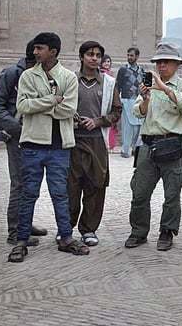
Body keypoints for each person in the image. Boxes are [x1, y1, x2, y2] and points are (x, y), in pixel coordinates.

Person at [9, 32, 87, 263]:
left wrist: (40, 104)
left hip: (59, 147)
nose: (35, 52)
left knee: (60, 194)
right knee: (28, 194)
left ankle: (65, 237)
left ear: (53, 51)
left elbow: (69, 110)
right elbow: (22, 106)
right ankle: (21, 240)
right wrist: (53, 100)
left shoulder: (68, 77)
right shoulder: (27, 76)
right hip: (32, 144)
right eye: (35, 48)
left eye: (39, 48)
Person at [124, 43, 182, 252]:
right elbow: (138, 112)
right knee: (139, 192)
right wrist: (145, 98)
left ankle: (167, 231)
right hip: (148, 145)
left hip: (172, 144)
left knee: (172, 194)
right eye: (158, 62)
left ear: (176, 65)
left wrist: (163, 88)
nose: (161, 66)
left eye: (166, 62)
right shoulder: (148, 85)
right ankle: (138, 231)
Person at [0, 40, 48, 245]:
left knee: (31, 183)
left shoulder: (40, 74)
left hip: (34, 137)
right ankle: (14, 231)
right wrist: (16, 128)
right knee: (19, 184)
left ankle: (25, 222)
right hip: (17, 137)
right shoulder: (11, 73)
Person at [68, 41, 121, 247]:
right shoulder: (70, 80)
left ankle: (88, 229)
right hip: (72, 141)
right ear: (81, 57)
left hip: (96, 141)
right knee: (70, 186)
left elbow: (117, 112)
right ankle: (66, 227)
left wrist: (97, 121)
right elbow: (60, 104)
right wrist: (71, 118)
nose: (94, 58)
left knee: (96, 185)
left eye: (98, 55)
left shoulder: (108, 82)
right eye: (90, 54)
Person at [116, 47, 145, 158]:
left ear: (137, 56)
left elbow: (144, 86)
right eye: (128, 55)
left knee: (138, 127)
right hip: (126, 100)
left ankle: (135, 148)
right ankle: (125, 150)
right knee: (128, 127)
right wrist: (117, 102)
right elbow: (118, 86)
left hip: (138, 101)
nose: (129, 57)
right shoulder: (123, 70)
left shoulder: (141, 71)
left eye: (132, 55)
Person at [100, 55, 120, 154]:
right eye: (105, 61)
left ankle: (110, 145)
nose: (107, 63)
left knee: (111, 124)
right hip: (103, 102)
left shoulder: (111, 75)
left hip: (112, 101)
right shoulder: (101, 74)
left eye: (108, 61)